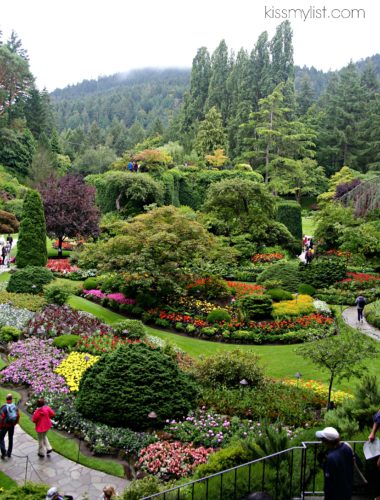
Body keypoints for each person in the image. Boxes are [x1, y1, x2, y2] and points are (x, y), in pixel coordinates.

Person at [316, 426, 354, 500]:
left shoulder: (331, 458)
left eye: (322, 439)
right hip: (347, 491)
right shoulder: (347, 447)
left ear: (326, 441)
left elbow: (329, 482)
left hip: (336, 494)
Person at [0, 394, 20, 459]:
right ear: (11, 399)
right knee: (10, 438)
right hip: (12, 425)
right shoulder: (15, 406)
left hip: (4, 426)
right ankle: (9, 453)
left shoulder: (4, 407)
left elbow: (1, 418)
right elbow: (18, 415)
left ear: (6, 399)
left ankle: (3, 453)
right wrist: (15, 423)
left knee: (0, 438)